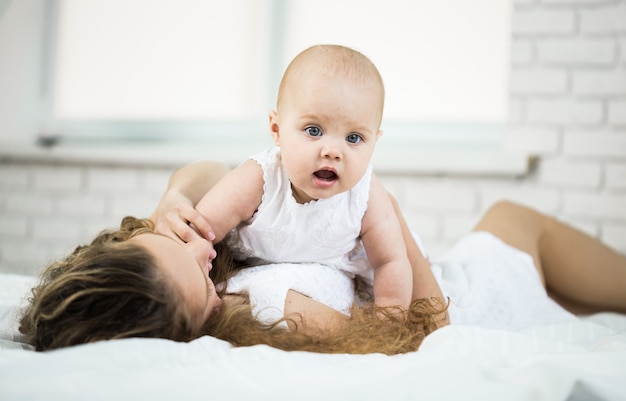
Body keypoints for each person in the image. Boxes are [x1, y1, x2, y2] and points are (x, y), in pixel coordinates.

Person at [19, 160, 626, 353]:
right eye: (200, 276)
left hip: (453, 274)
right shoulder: (270, 315)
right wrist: (381, 211)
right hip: (463, 294)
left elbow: (220, 174)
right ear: (192, 322)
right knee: (510, 221)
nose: (205, 247)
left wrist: (173, 199)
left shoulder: (182, 254)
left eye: (173, 237)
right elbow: (422, 323)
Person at [183, 44, 413, 312]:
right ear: (277, 129)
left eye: (353, 138)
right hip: (260, 270)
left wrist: (390, 318)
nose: (332, 151)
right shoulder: (259, 178)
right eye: (314, 130)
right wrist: (200, 281)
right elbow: (200, 231)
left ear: (375, 141)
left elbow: (390, 261)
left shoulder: (366, 194)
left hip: (334, 274)